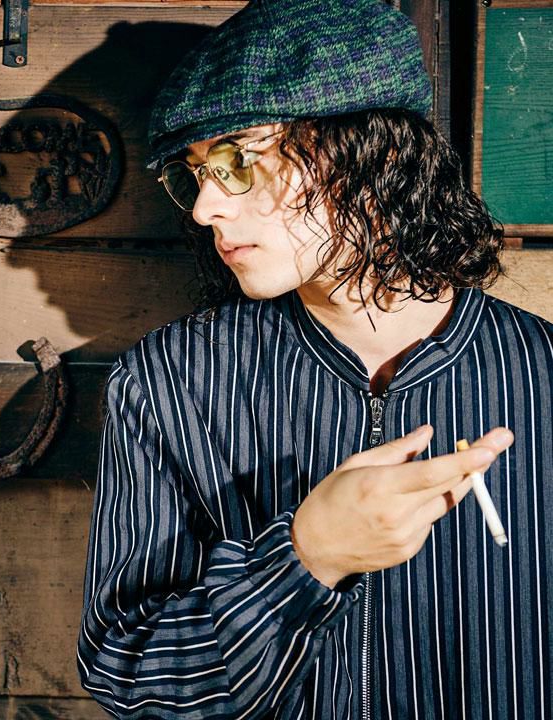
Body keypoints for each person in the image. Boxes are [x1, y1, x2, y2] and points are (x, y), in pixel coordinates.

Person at [77, 0, 552, 717]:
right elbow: (129, 675)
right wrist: (308, 558)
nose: (204, 209)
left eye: (237, 161)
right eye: (194, 174)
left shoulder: (543, 374)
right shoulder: (170, 382)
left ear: (374, 154)